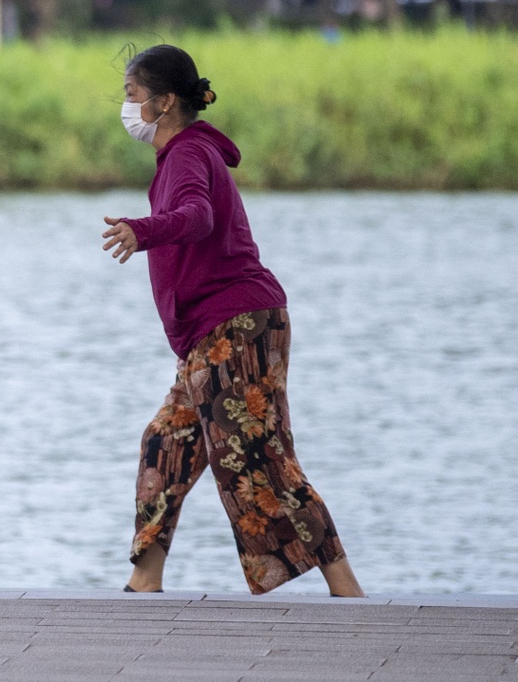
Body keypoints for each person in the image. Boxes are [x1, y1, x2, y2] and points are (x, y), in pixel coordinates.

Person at [101, 44, 362, 597]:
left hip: (236, 326)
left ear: (164, 101)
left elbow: (197, 217)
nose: (126, 108)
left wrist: (141, 230)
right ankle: (144, 580)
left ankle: (348, 592)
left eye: (132, 96)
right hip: (211, 334)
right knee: (166, 443)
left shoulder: (190, 155)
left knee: (258, 462)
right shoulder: (183, 155)